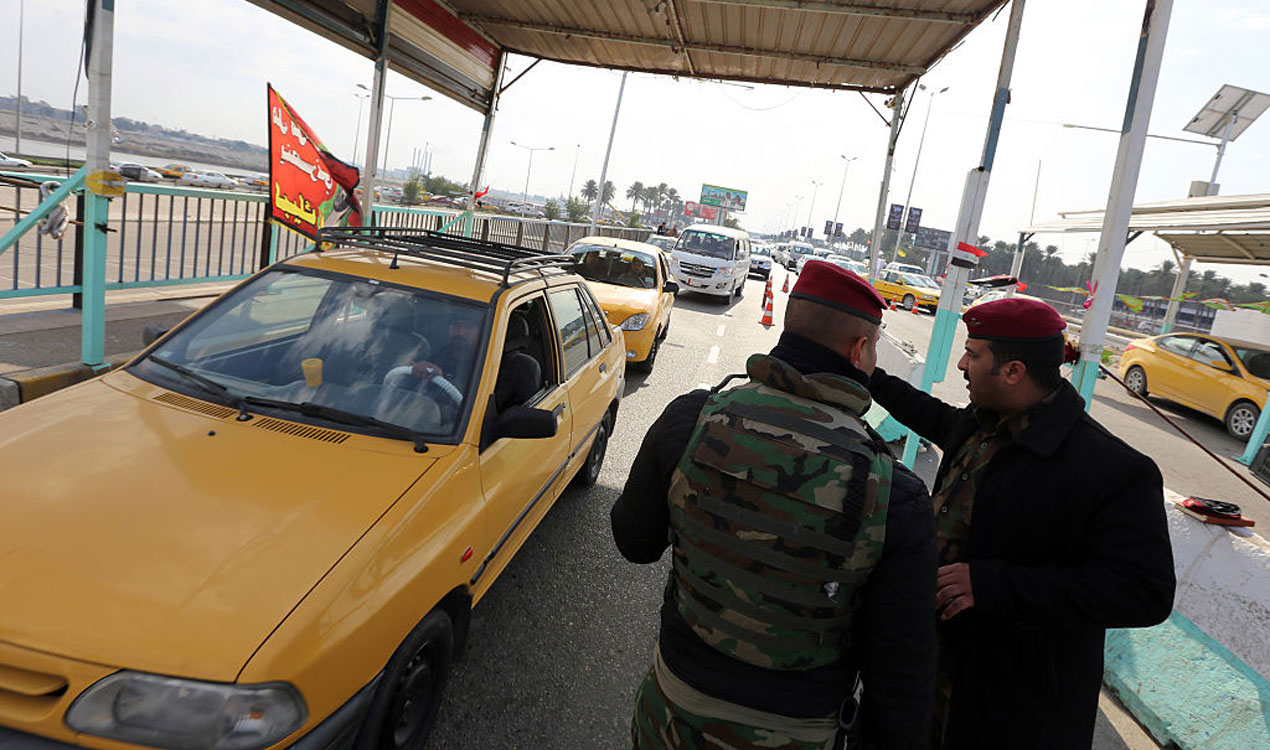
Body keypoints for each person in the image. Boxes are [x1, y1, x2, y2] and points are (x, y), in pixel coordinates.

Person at [613, 261, 937, 749]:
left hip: (673, 714)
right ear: (861, 348)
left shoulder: (693, 418)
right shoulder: (896, 492)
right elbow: (898, 673)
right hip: (798, 732)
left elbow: (634, 542)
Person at [867, 297, 1175, 749]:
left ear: (1013, 372)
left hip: (1014, 707)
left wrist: (993, 586)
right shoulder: (982, 426)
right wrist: (866, 373)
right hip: (933, 672)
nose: (961, 364)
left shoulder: (1111, 470)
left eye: (973, 355)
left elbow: (1144, 593)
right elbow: (927, 413)